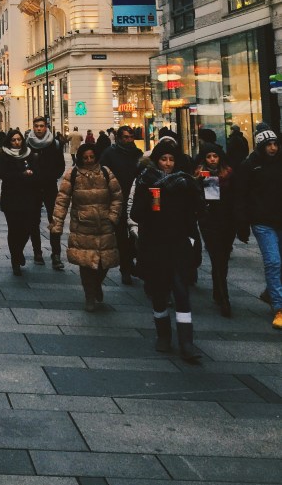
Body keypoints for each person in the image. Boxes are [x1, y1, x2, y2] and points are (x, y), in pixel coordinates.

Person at [130, 140, 205, 360]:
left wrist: (198, 189)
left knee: (181, 291)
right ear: (157, 160)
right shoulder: (146, 181)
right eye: (164, 159)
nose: (168, 163)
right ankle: (163, 335)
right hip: (154, 244)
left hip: (179, 243)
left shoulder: (184, 182)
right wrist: (152, 199)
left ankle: (186, 342)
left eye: (171, 159)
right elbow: (136, 214)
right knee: (159, 291)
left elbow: (197, 210)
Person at [50, 143, 122, 311]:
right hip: (82, 225)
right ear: (80, 159)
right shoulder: (73, 174)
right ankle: (89, 295)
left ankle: (97, 285)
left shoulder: (106, 172)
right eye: (85, 158)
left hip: (104, 225)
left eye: (91, 157)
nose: (89, 160)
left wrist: (112, 217)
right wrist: (57, 224)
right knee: (86, 264)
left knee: (104, 262)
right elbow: (62, 201)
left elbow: (117, 197)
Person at [234, 128, 282, 329]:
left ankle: (270, 292)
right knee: (273, 261)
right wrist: (242, 225)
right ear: (261, 147)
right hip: (262, 222)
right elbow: (241, 195)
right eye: (268, 145)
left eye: (275, 144)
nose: (273, 148)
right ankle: (279, 307)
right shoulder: (250, 165)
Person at [194, 143, 236, 317]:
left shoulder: (229, 174)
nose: (212, 160)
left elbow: (236, 197)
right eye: (209, 156)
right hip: (209, 222)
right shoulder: (199, 174)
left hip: (228, 221)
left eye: (215, 156)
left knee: (223, 258)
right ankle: (225, 298)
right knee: (217, 257)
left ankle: (217, 290)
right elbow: (199, 199)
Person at [99, 125, 143, 285]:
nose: (129, 140)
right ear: (118, 138)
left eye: (131, 137)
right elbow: (102, 175)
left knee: (134, 235)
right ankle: (126, 268)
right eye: (125, 137)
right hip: (116, 200)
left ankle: (130, 261)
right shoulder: (109, 154)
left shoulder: (138, 154)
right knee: (121, 237)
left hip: (135, 200)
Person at [0, 129, 42, 274]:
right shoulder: (3, 155)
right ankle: (15, 260)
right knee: (14, 229)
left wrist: (32, 174)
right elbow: (3, 174)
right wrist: (22, 174)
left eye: (19, 139)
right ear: (9, 141)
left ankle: (18, 251)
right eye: (13, 140)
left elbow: (37, 173)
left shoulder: (29, 154)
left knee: (27, 228)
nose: (17, 142)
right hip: (11, 197)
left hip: (28, 197)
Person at [25, 117, 66, 270]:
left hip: (50, 187)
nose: (39, 129)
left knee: (54, 220)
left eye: (41, 126)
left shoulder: (54, 144)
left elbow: (61, 165)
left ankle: (56, 254)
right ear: (33, 127)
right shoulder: (27, 144)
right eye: (36, 126)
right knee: (33, 221)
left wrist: (51, 176)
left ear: (46, 127)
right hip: (33, 188)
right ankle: (37, 252)